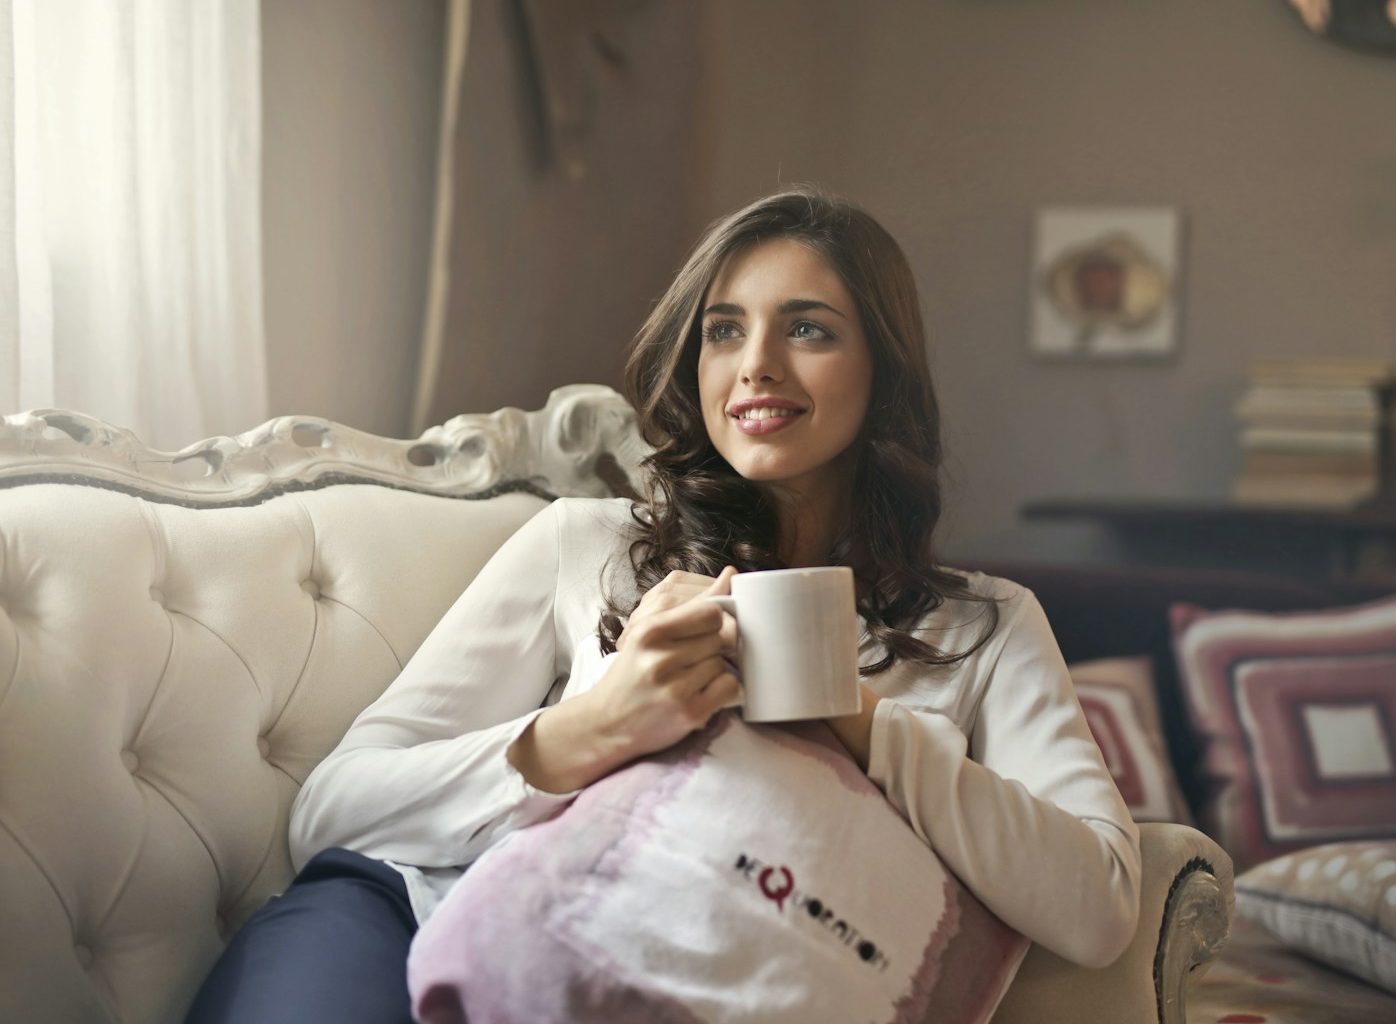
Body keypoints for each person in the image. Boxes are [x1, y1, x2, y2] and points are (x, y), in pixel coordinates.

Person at [185, 187, 1140, 1023]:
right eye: (724, 330)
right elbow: (333, 810)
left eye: (807, 327)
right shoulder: (588, 543)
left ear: (882, 369)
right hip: (406, 915)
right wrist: (595, 727)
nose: (756, 364)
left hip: (662, 987)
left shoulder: (982, 627)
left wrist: (862, 722)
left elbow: (1097, 905)